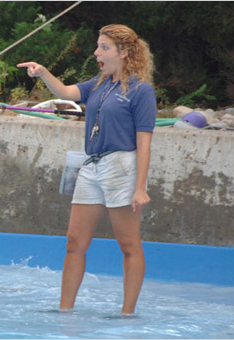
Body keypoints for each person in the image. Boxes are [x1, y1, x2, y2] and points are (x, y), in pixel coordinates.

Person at [18, 24, 156, 314]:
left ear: (125, 52)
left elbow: (144, 142)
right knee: (74, 242)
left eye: (104, 47)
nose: (96, 53)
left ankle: (127, 314)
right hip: (91, 164)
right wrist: (42, 73)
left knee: (128, 244)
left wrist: (140, 187)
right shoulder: (99, 83)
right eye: (98, 46)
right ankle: (64, 311)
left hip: (121, 166)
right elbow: (67, 91)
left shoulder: (142, 91)